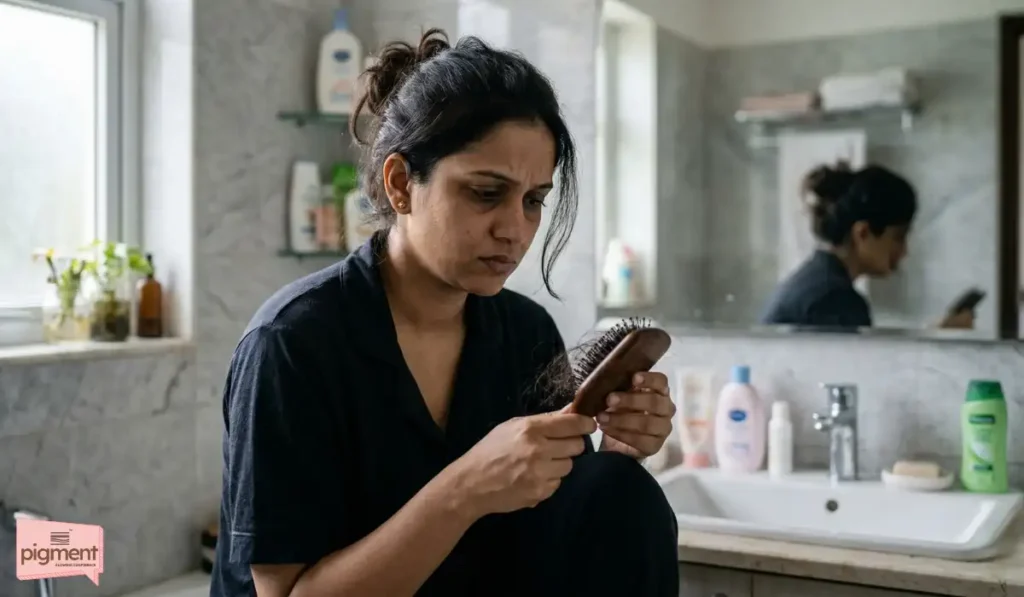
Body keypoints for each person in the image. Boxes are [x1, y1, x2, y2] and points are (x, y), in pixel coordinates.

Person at [210, 29, 680, 597]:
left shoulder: (525, 332)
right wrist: (465, 488)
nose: (514, 229)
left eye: (533, 200)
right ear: (402, 183)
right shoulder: (292, 345)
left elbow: (547, 532)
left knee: (620, 489)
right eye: (486, 193)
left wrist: (617, 450)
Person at [759, 161, 974, 331]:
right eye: (898, 237)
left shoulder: (816, 282)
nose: (905, 252)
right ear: (863, 233)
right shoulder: (835, 299)